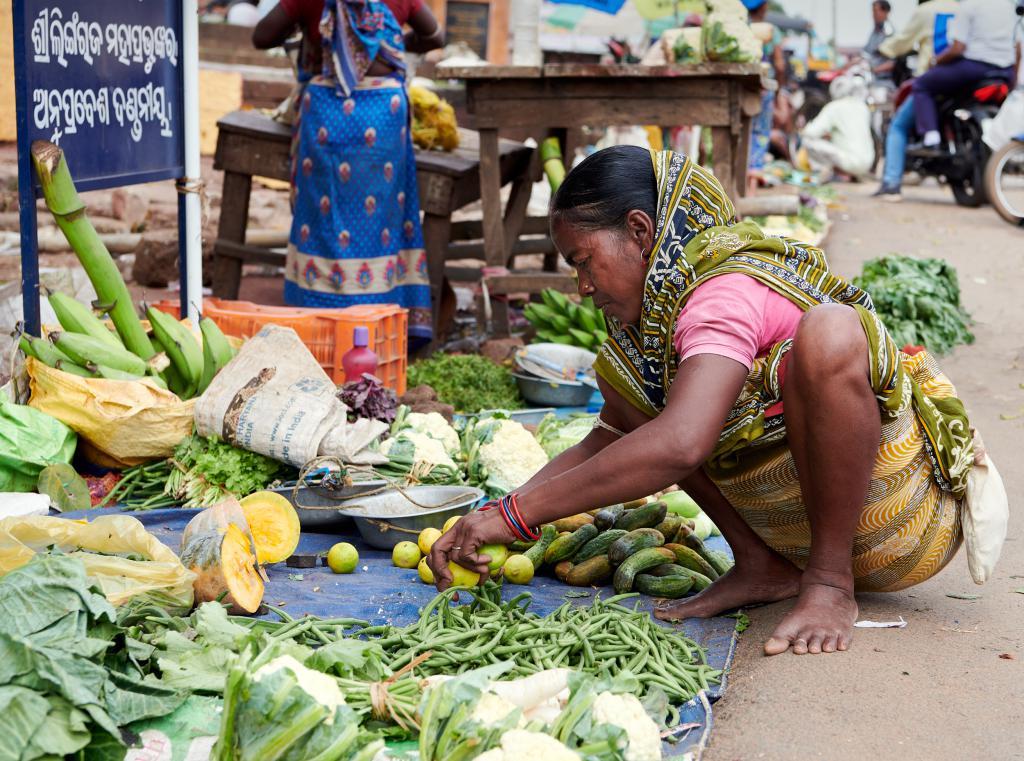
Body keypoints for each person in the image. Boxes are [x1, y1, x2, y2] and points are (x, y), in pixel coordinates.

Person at [428, 145, 976, 656]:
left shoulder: (720, 292)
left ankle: (831, 582)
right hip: (796, 524)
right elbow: (608, 442)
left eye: (583, 260)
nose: (583, 287)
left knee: (828, 332)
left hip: (899, 518)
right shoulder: (652, 325)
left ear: (639, 232)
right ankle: (762, 565)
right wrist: (491, 517)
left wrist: (517, 516)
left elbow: (682, 445)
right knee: (641, 396)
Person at [253, 1, 444, 345]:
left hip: (328, 115)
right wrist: (398, 43)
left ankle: (318, 320)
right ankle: (378, 321)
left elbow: (261, 37)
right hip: (384, 115)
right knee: (384, 218)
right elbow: (434, 35)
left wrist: (306, 32)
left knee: (323, 216)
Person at [873, 0, 960, 201]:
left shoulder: (926, 11)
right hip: (960, 78)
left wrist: (883, 49)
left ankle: (892, 184)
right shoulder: (961, 9)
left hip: (932, 78)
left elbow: (903, 41)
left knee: (898, 125)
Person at [911, 0, 1017, 149]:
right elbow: (1017, 45)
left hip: (974, 68)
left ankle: (931, 137)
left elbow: (957, 48)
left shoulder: (969, 5)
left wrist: (935, 61)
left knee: (921, 84)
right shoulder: (1008, 6)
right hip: (1005, 71)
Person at [745, 0, 787, 191]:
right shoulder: (771, 31)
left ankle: (737, 191)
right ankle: (751, 191)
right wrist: (777, 91)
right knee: (759, 135)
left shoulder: (740, 27)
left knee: (741, 135)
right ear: (762, 7)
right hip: (763, 90)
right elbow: (779, 65)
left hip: (741, 89)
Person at [799, 75, 875, 179]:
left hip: (849, 162)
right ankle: (850, 174)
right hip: (867, 162)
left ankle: (824, 173)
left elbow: (810, 132)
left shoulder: (834, 107)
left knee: (807, 141)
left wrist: (803, 129)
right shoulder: (862, 106)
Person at [864, 0, 896, 84]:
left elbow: (893, 62)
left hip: (883, 82)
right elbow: (865, 54)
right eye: (873, 12)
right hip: (870, 79)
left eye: (876, 11)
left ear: (885, 12)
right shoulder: (874, 33)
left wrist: (873, 70)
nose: (873, 15)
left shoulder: (890, 33)